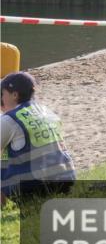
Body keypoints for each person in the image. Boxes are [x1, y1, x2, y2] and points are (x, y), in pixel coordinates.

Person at [1, 72, 75, 205]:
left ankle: (2, 206)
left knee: (3, 159)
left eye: (2, 93)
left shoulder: (10, 119)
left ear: (14, 95)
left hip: (34, 188)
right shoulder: (48, 112)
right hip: (66, 182)